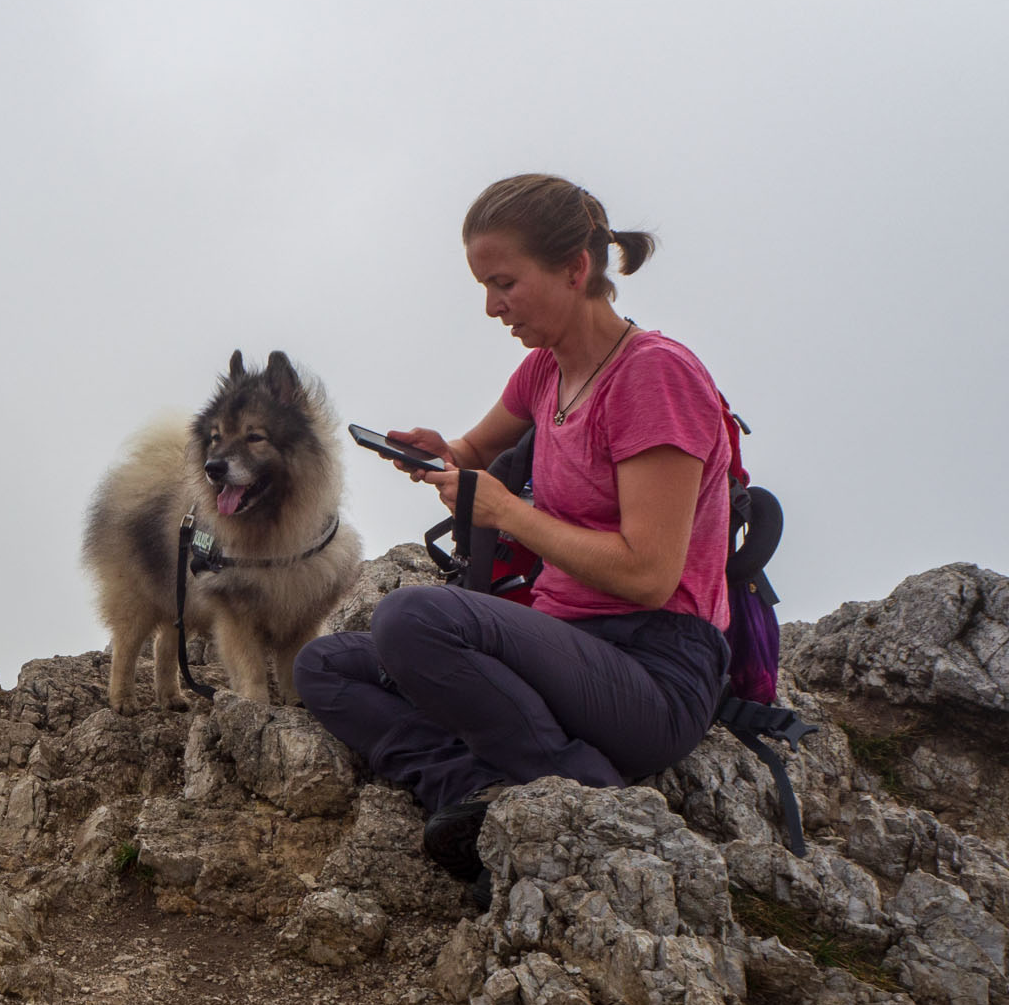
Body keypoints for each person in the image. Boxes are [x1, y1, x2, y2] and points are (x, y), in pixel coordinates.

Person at [294, 174, 733, 904]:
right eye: (484, 286)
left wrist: (509, 514)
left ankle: (578, 786)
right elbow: (471, 453)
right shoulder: (544, 371)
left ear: (574, 269)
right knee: (326, 665)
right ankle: (470, 789)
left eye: (504, 283)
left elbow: (651, 576)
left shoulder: (655, 377)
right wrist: (442, 454)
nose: (493, 306)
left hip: (654, 670)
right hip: (560, 644)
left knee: (411, 618)